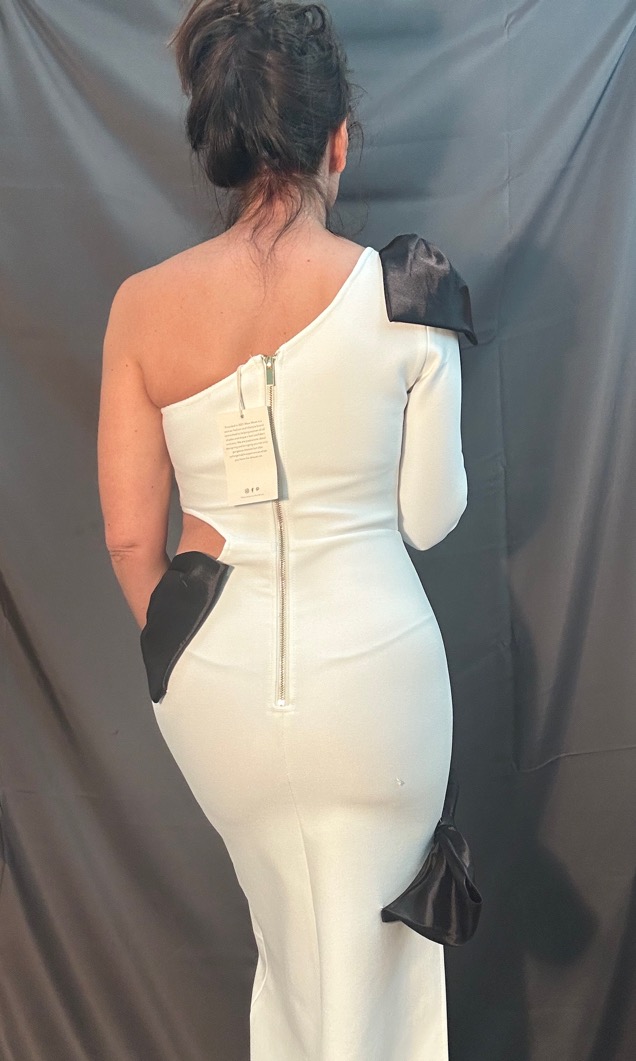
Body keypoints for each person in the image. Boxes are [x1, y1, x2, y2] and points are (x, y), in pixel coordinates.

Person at [97, 1, 477, 1057]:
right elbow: (431, 519)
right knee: (377, 967)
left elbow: (131, 541)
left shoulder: (141, 307)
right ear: (337, 141)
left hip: (214, 690)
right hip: (380, 685)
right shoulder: (407, 295)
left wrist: (189, 657)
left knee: (292, 951)